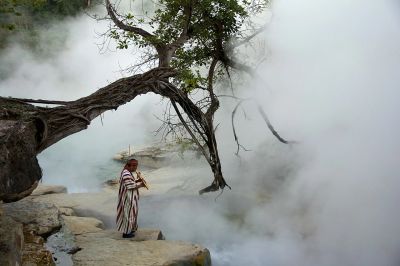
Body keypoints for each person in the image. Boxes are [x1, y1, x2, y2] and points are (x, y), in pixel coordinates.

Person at [116, 159, 146, 238]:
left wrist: (138, 180)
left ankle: (131, 229)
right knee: (128, 214)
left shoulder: (127, 172)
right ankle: (126, 233)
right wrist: (141, 185)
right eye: (136, 166)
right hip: (128, 198)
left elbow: (130, 182)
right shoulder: (126, 173)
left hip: (131, 197)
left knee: (132, 213)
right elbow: (130, 186)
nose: (136, 168)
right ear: (131, 166)